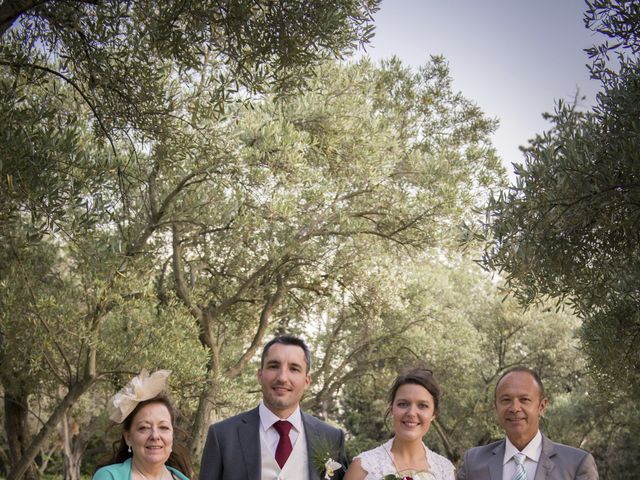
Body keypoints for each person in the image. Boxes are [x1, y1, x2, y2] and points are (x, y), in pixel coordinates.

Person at [199, 334, 349, 480]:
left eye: (294, 368)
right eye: (273, 366)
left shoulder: (332, 438)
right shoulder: (223, 436)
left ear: (307, 381)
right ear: (260, 375)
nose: (282, 378)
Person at [457, 366, 598, 480]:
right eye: (506, 400)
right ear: (496, 406)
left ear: (542, 406)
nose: (514, 408)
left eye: (524, 400)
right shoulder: (474, 462)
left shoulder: (576, 464)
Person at [344, 368, 455, 480]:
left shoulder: (445, 470)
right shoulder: (363, 468)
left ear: (433, 414)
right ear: (391, 409)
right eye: (403, 404)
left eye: (422, 406)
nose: (411, 413)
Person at [94, 369, 192, 480]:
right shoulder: (109, 477)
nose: (155, 436)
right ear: (128, 438)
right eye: (144, 428)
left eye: (163, 427)